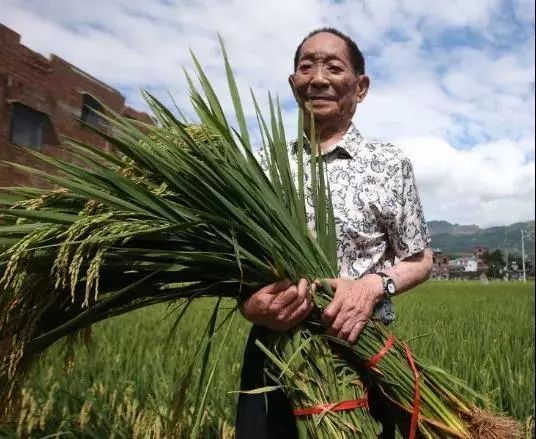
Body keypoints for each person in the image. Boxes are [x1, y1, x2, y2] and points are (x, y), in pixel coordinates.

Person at [235, 27, 433, 439]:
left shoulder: (389, 163)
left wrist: (371, 288)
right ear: (294, 85)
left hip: (361, 353)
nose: (318, 78)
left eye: (333, 67)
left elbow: (419, 258)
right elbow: (235, 260)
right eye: (306, 67)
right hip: (276, 356)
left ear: (360, 87)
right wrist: (250, 303)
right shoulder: (262, 167)